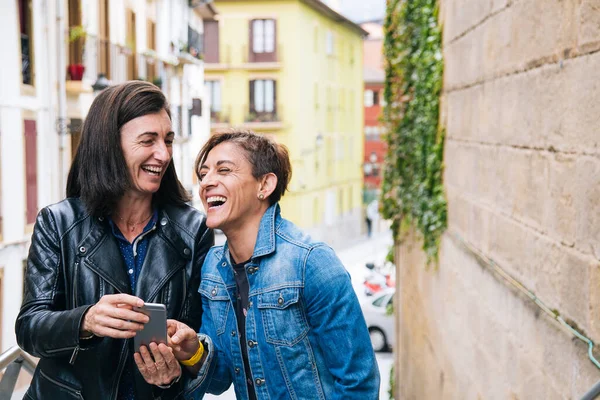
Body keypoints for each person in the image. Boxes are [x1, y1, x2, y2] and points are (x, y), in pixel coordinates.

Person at [136, 130, 380, 399]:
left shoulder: (311, 262)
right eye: (204, 174)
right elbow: (220, 379)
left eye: (224, 170)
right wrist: (194, 351)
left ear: (264, 185)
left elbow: (359, 384)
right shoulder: (213, 269)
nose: (206, 182)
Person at [15, 81, 214, 400]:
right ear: (109, 144)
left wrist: (175, 369)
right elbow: (29, 328)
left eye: (167, 140)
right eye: (148, 140)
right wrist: (86, 320)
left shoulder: (194, 230)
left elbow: (197, 338)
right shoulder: (58, 222)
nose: (162, 154)